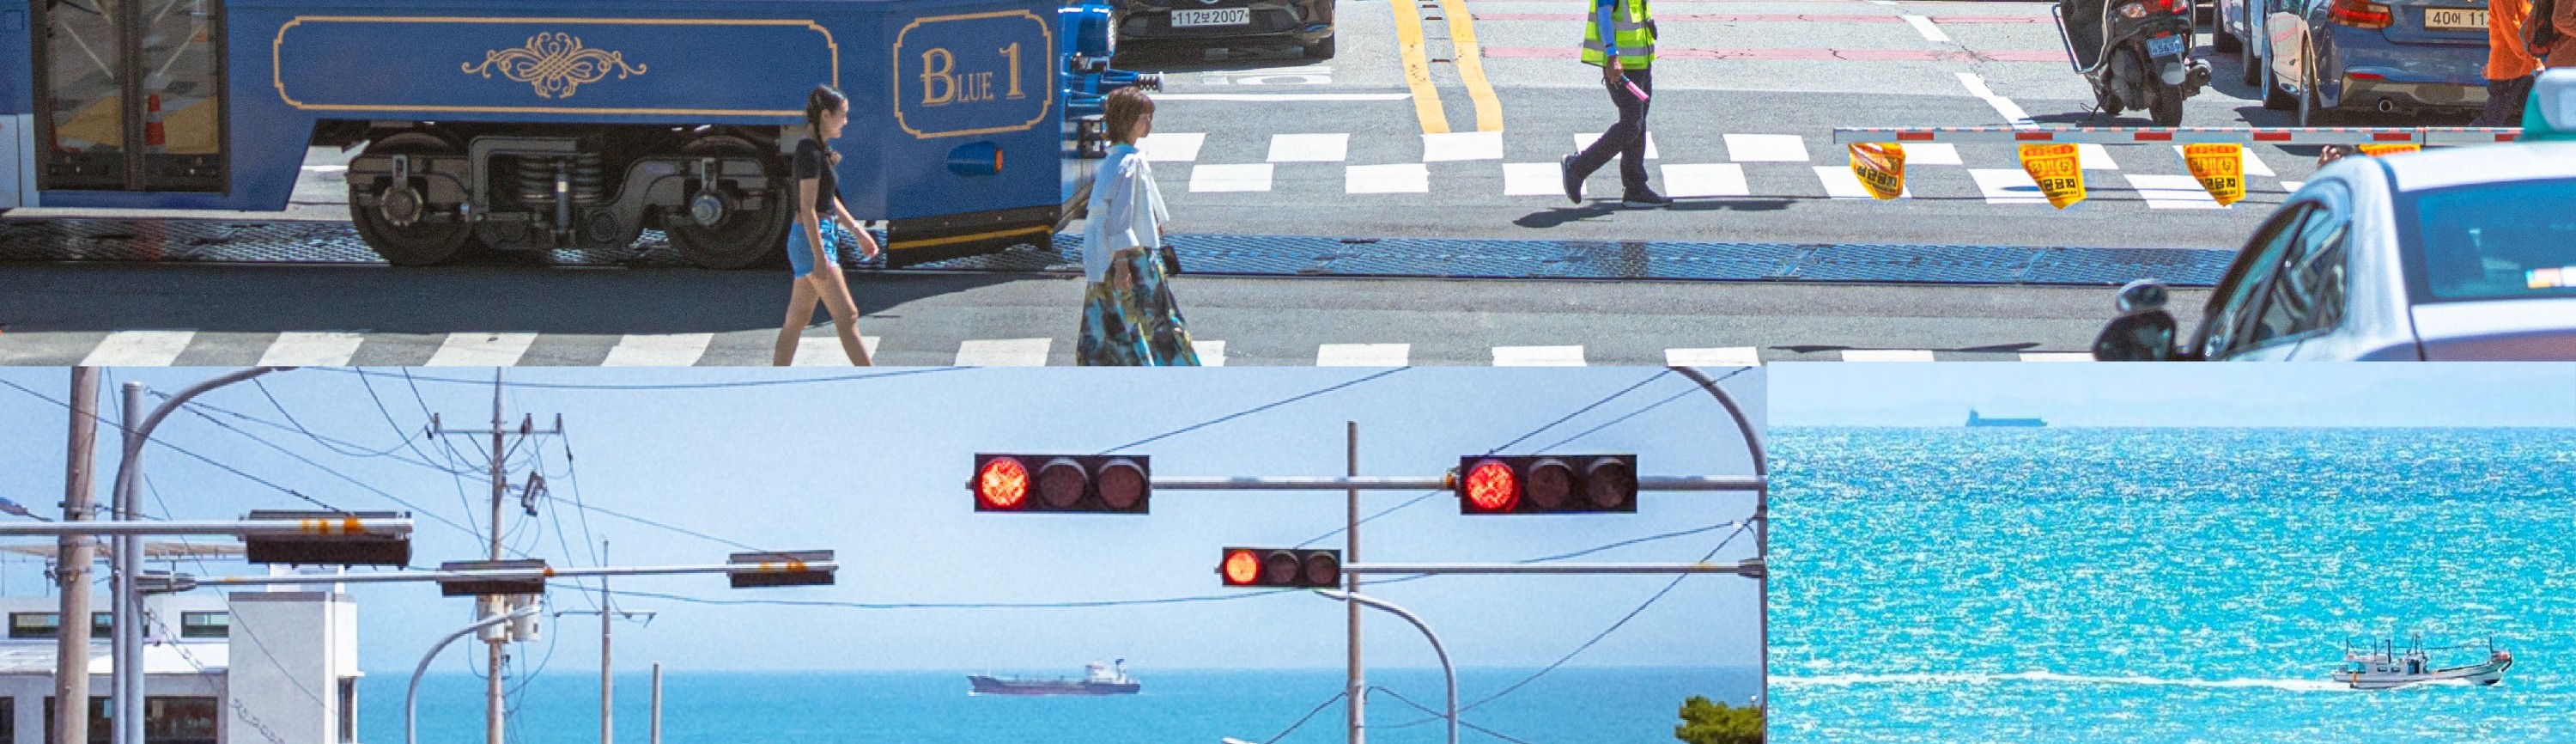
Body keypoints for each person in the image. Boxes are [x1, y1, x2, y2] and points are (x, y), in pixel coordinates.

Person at [1077, 87, 1201, 367]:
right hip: (1131, 258)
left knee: (1111, 321)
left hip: (1109, 255)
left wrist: (1152, 221)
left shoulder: (1117, 159)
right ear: (1127, 120)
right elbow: (1119, 218)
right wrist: (1122, 264)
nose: (1149, 124)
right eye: (1144, 118)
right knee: (1151, 319)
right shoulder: (1129, 162)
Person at [771, 84, 881, 366]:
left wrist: (857, 232)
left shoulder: (816, 149)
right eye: (842, 115)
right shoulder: (809, 154)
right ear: (825, 115)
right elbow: (807, 208)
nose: (845, 121)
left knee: (797, 320)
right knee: (848, 316)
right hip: (813, 242)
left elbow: (827, 199)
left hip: (813, 239)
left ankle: (774, 379)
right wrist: (821, 257)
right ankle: (873, 382)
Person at [1560, 0, 1668, 209]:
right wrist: (1612, 55)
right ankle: (1577, 168)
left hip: (1641, 62)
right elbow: (1604, 14)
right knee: (1631, 126)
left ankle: (1635, 188)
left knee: (1638, 124)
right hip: (1621, 67)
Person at [2479, 0, 2542, 126]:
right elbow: (2513, 33)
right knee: (2491, 123)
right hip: (2509, 70)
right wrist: (2536, 62)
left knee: (2538, 119)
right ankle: (2458, 144)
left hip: (2523, 68)